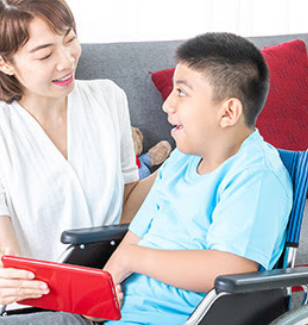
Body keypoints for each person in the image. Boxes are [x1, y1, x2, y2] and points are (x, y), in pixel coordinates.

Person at [0, 0, 155, 322]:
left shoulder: (109, 98)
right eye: (45, 53)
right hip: (33, 305)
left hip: (110, 291)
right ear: (3, 62)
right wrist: (2, 275)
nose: (67, 61)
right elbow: (2, 251)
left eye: (70, 39)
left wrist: (188, 159)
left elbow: (126, 201)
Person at [100, 32, 294, 325]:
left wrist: (133, 259)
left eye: (182, 92)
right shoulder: (181, 158)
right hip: (110, 314)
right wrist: (101, 292)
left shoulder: (256, 175)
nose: (167, 105)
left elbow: (231, 266)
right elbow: (135, 236)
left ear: (228, 112)